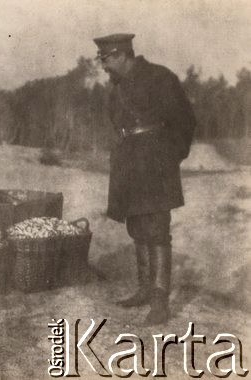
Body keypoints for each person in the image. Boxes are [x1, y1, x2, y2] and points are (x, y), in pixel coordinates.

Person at [93, 34, 196, 325]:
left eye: (106, 60)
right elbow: (117, 122)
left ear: (121, 54)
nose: (104, 67)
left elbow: (185, 121)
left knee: (157, 229)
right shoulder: (116, 88)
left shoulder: (160, 77)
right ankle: (144, 289)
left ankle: (160, 302)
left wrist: (170, 157)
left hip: (156, 164)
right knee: (136, 225)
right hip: (128, 162)